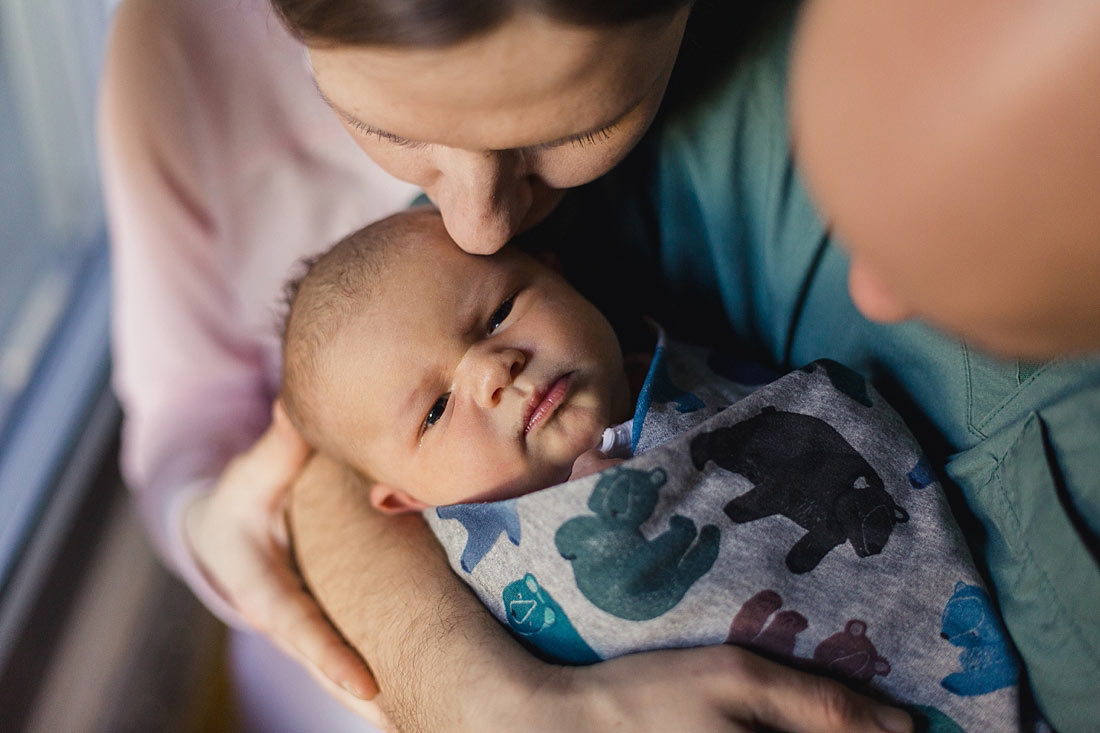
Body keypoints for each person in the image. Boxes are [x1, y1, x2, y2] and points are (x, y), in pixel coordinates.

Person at [98, 0, 1098, 729]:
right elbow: (337, 433)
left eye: (566, 133)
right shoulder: (465, 271)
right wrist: (487, 700)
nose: (475, 223)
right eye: (390, 131)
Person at [284, 207, 1023, 731]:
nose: (491, 371)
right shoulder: (467, 565)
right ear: (404, 500)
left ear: (557, 273)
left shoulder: (677, 351)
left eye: (500, 311)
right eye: (437, 409)